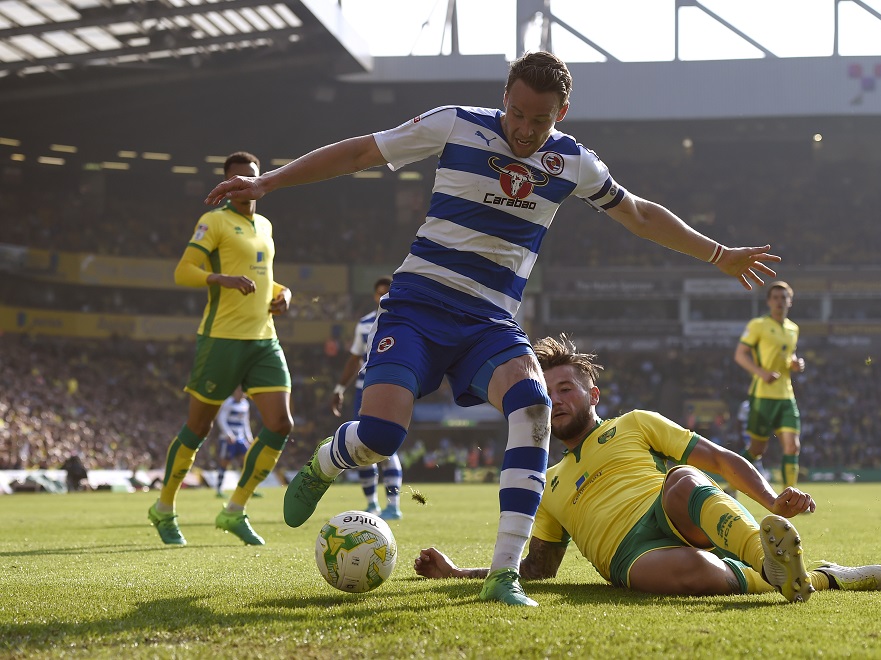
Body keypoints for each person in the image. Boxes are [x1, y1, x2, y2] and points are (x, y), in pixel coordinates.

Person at [205, 51, 780, 606]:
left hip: (489, 320)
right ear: (503, 97)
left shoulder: (573, 162)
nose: (525, 130)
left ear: (561, 114)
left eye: (540, 120)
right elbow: (361, 152)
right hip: (417, 308)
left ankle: (504, 576)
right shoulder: (456, 125)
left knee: (533, 408)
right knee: (380, 436)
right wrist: (269, 182)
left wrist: (718, 254)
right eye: (517, 113)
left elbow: (638, 214)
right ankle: (327, 462)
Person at [415, 335, 881, 602]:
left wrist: (772, 501)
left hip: (674, 512)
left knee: (682, 479)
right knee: (689, 573)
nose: (557, 400)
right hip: (632, 557)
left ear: (593, 395)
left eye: (567, 389)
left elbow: (720, 460)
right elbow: (536, 570)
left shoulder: (634, 423)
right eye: (549, 392)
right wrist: (457, 572)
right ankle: (821, 578)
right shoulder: (546, 483)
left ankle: (765, 557)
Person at [148, 151, 294, 547]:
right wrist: (222, 279)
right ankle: (163, 508)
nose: (245, 184)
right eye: (237, 178)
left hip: (263, 338)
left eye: (252, 177)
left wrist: (284, 293)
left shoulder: (265, 225)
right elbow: (183, 272)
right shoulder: (213, 221)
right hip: (222, 339)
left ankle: (234, 510)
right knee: (198, 428)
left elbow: (265, 277)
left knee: (281, 424)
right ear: (226, 185)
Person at [330, 277, 404, 520]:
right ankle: (372, 504)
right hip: (364, 389)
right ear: (374, 296)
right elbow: (355, 358)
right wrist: (340, 387)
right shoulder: (364, 324)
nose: (383, 297)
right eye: (380, 293)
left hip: (393, 388)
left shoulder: (406, 320)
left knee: (387, 447)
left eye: (388, 292)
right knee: (361, 446)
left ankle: (393, 505)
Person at [734, 281, 805, 490]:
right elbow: (740, 355)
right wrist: (761, 373)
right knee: (756, 449)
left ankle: (790, 497)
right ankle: (731, 484)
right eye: (775, 298)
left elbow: (788, 355)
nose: (779, 301)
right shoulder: (758, 325)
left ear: (790, 301)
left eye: (784, 298)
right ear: (768, 302)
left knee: (792, 446)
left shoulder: (793, 329)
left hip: (786, 396)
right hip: (762, 395)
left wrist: (795, 363)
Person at [214, 386, 255, 499]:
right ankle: (219, 489)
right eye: (240, 391)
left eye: (244, 391)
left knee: (247, 461)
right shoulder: (228, 403)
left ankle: (248, 489)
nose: (242, 393)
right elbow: (221, 419)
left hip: (240, 438)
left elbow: (245, 422)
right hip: (228, 439)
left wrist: (249, 437)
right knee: (225, 462)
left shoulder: (245, 404)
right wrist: (228, 434)